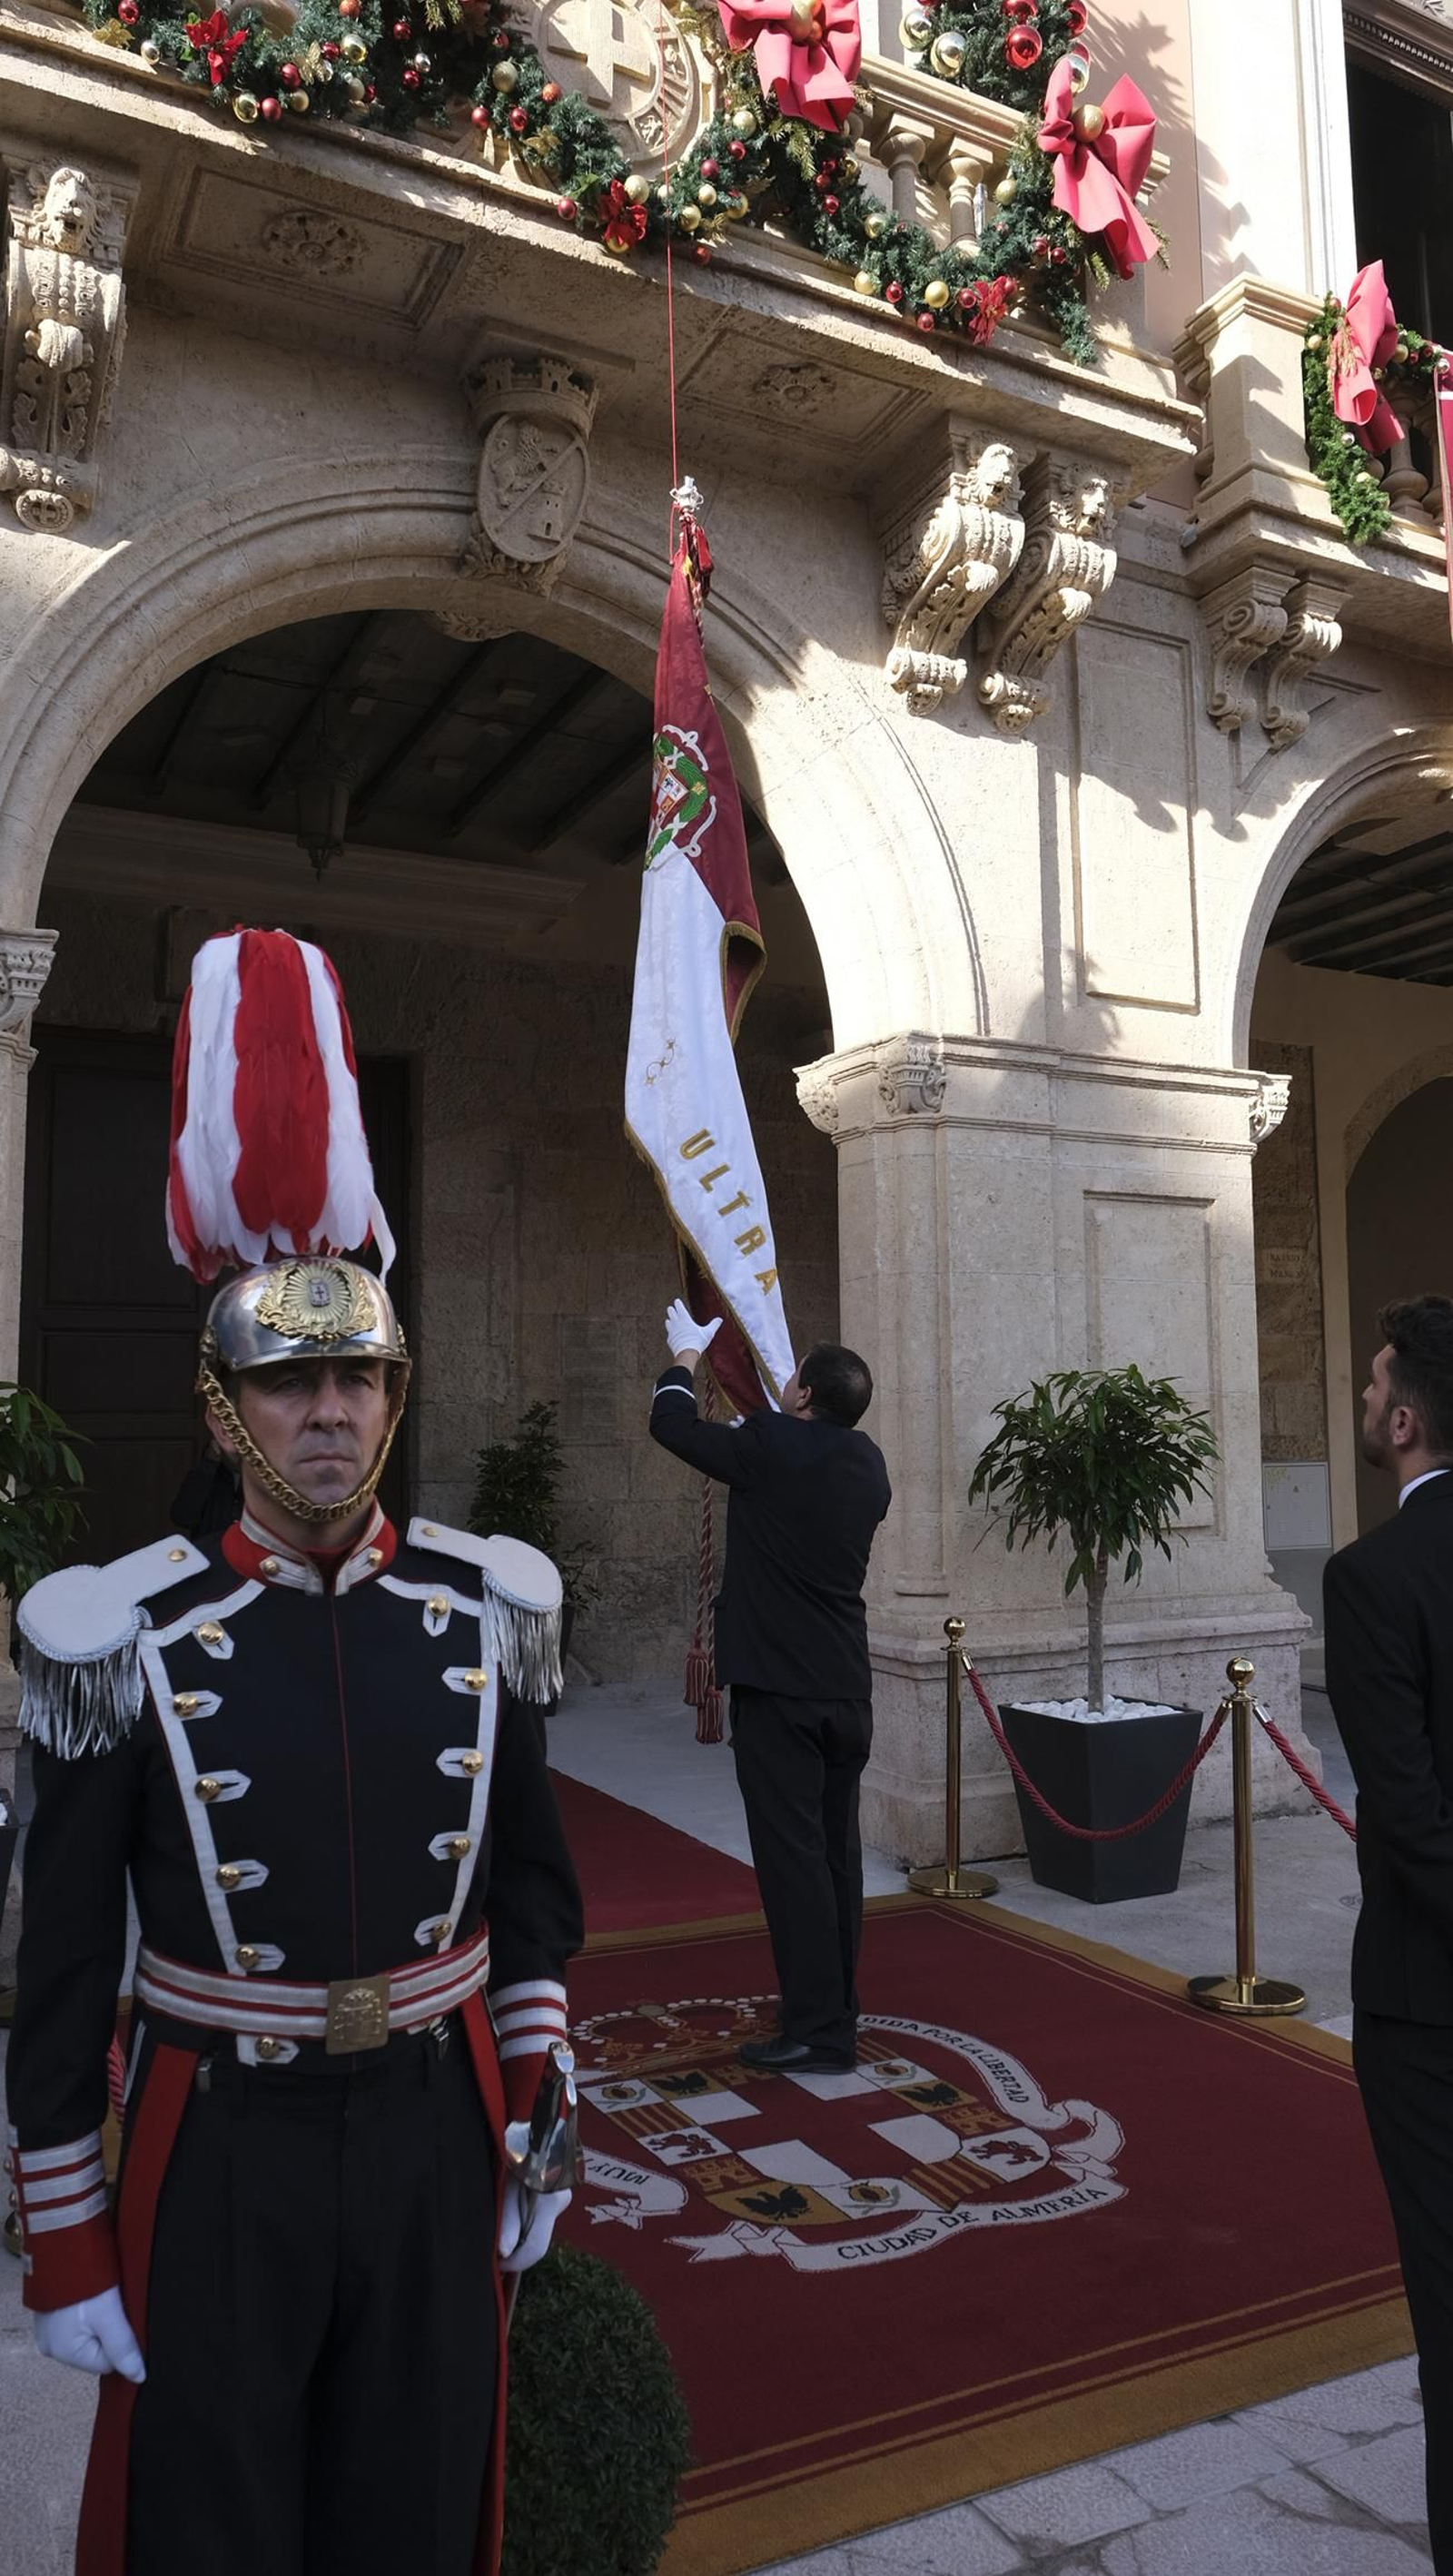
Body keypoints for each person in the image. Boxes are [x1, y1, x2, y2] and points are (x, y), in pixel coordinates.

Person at [4, 1254, 582, 2576]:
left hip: (434, 2129)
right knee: (211, 2515)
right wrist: (72, 2239)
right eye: (286, 1383)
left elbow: (534, 1901)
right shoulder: (129, 1632)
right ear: (221, 1412)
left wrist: (538, 2109)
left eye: (356, 1379)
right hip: (220, 2144)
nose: (328, 1410)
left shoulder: (485, 1607)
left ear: (394, 1399)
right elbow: (70, 1960)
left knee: (419, 2503)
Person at [649, 1298, 891, 2074]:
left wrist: (686, 1356)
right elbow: (791, 1446)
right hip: (846, 1688)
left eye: (794, 1382)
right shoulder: (869, 1466)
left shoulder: (770, 1443)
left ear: (804, 1396)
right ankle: (835, 2010)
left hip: (781, 1690)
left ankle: (819, 2030)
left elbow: (673, 1427)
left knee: (792, 1862)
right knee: (834, 1857)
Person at [1324, 1292, 1453, 2574]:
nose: (1364, 1405)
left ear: (1406, 1422)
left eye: (1370, 1392)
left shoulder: (1371, 1579)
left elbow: (1410, 1821)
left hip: (1431, 2009)